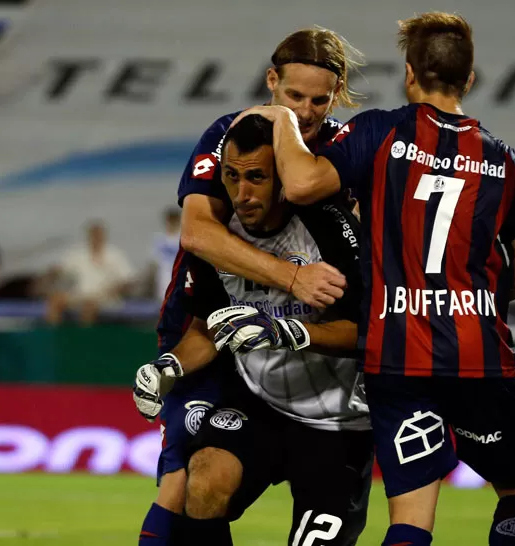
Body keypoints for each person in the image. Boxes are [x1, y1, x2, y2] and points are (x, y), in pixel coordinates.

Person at [237, 12, 515, 546]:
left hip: (400, 357)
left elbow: (305, 183)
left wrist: (282, 120)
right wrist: (466, 300)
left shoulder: (381, 132)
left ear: (409, 74)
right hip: (480, 355)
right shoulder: (508, 163)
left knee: (409, 518)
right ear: (469, 80)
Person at [135, 27, 366, 546]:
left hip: (336, 407)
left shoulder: (342, 168)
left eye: (319, 101)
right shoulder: (229, 135)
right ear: (271, 83)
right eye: (292, 98)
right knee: (189, 483)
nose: (305, 113)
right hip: (227, 352)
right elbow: (197, 232)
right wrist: (292, 278)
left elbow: (371, 323)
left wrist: (290, 327)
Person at [150, 207, 181, 300]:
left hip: (179, 273)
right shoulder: (160, 239)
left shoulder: (183, 238)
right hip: (163, 275)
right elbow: (154, 260)